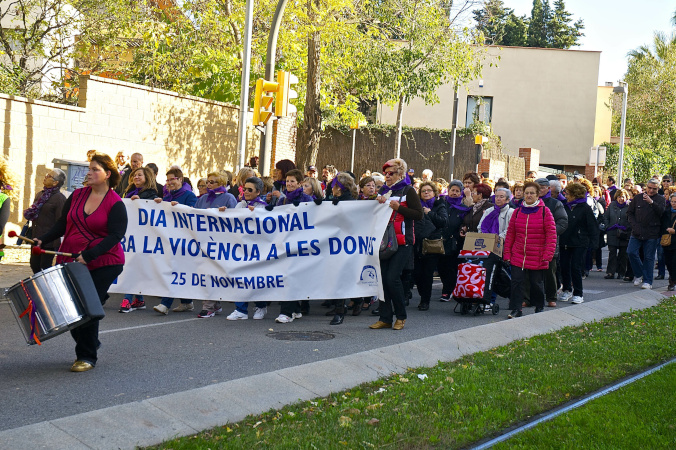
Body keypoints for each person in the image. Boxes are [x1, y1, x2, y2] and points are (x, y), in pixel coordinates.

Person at [35, 153, 128, 372]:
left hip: (104, 262)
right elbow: (62, 224)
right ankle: (91, 341)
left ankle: (87, 356)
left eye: (95, 169)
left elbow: (116, 235)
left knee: (85, 307)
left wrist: (90, 254)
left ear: (107, 174)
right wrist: (44, 238)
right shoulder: (77, 195)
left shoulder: (115, 203)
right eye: (90, 168)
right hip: (71, 258)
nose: (89, 172)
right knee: (72, 309)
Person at [370, 158, 423, 331]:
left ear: (400, 173)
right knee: (383, 280)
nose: (387, 176)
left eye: (390, 173)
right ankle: (385, 317)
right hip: (385, 241)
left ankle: (401, 316)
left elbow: (418, 214)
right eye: (385, 173)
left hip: (403, 242)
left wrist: (399, 208)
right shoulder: (385, 191)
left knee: (392, 278)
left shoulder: (409, 191)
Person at [503, 181, 557, 319]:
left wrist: (547, 254)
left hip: (537, 255)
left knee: (536, 284)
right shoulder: (517, 212)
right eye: (526, 193)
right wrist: (507, 253)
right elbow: (510, 235)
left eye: (531, 193)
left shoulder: (545, 212)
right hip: (518, 254)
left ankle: (539, 307)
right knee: (516, 283)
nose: (528, 195)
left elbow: (551, 235)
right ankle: (516, 309)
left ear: (538, 195)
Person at [221, 177, 270, 320]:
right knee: (239, 277)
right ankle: (240, 309)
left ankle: (261, 306)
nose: (246, 192)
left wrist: (256, 214)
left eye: (250, 190)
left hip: (257, 249)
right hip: (240, 248)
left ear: (258, 192)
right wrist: (223, 213)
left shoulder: (263, 207)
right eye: (244, 189)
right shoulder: (239, 205)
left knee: (256, 279)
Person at [152, 168, 198, 315]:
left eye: (172, 179)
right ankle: (187, 302)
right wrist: (158, 204)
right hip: (170, 240)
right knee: (176, 269)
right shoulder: (166, 197)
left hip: (184, 240)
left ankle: (165, 304)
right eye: (168, 180)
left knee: (174, 270)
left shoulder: (189, 195)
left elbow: (193, 213)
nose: (169, 182)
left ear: (180, 179)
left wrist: (179, 207)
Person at [118, 167, 159, 313]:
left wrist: (140, 202)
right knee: (131, 265)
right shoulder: (129, 193)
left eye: (139, 175)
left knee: (132, 266)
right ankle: (139, 300)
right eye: (134, 175)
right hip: (129, 235)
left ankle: (127, 299)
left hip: (141, 237)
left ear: (147, 177)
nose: (136, 177)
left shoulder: (151, 194)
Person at [324, 173, 360, 325]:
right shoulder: (335, 200)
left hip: (345, 244)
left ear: (339, 188)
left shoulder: (349, 202)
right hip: (334, 243)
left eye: (333, 186)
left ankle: (341, 310)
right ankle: (342, 306)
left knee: (342, 277)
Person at [558, 182, 598, 305]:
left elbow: (593, 226)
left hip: (580, 242)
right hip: (565, 240)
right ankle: (567, 289)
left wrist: (594, 243)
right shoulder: (564, 206)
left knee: (575, 267)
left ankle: (578, 293)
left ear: (575, 195)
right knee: (564, 266)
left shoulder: (585, 208)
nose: (566, 195)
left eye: (568, 193)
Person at [413, 181, 448, 311]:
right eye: (423, 191)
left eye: (429, 190)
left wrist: (429, 213)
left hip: (431, 244)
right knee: (417, 273)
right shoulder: (416, 206)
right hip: (417, 243)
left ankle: (425, 300)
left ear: (434, 192)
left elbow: (443, 222)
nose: (426, 193)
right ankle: (422, 294)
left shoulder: (439, 205)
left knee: (427, 274)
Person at [24, 169, 68, 273]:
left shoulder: (59, 199)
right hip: (36, 237)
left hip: (49, 241)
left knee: (45, 267)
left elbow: (61, 221)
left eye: (49, 176)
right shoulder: (40, 194)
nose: (45, 176)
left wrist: (50, 236)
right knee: (34, 265)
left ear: (55, 182)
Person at [627, 178, 666, 289]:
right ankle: (640, 274)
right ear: (646, 187)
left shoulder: (660, 199)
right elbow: (630, 213)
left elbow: (662, 213)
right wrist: (634, 225)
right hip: (637, 232)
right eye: (649, 188)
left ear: (658, 189)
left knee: (649, 257)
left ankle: (648, 281)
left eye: (654, 189)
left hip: (652, 233)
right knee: (631, 252)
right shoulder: (638, 198)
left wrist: (651, 203)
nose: (651, 190)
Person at [535, 178, 568, 307]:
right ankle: (528, 298)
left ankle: (551, 297)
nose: (540, 190)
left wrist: (550, 233)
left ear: (548, 189)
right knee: (529, 273)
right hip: (532, 241)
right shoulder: (528, 202)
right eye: (538, 187)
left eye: (543, 187)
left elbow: (563, 222)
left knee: (550, 271)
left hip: (549, 243)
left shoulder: (555, 203)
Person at [438, 180, 470, 301]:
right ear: (448, 190)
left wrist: (463, 229)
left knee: (451, 267)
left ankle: (447, 291)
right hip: (440, 240)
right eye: (453, 190)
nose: (454, 193)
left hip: (455, 242)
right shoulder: (442, 203)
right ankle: (448, 286)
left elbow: (466, 222)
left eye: (457, 191)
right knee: (441, 267)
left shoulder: (463, 208)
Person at [602, 189, 631, 280]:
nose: (621, 199)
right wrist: (608, 226)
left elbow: (631, 219)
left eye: (623, 197)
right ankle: (610, 272)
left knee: (623, 254)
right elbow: (606, 217)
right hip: (612, 233)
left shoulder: (629, 206)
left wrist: (626, 227)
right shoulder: (612, 205)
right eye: (619, 197)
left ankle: (621, 272)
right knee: (612, 253)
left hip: (624, 233)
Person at [661, 193, 676, 291]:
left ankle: (673, 281)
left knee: (675, 262)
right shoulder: (666, 212)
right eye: (672, 201)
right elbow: (661, 225)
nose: (674, 204)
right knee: (668, 262)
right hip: (667, 241)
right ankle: (672, 277)